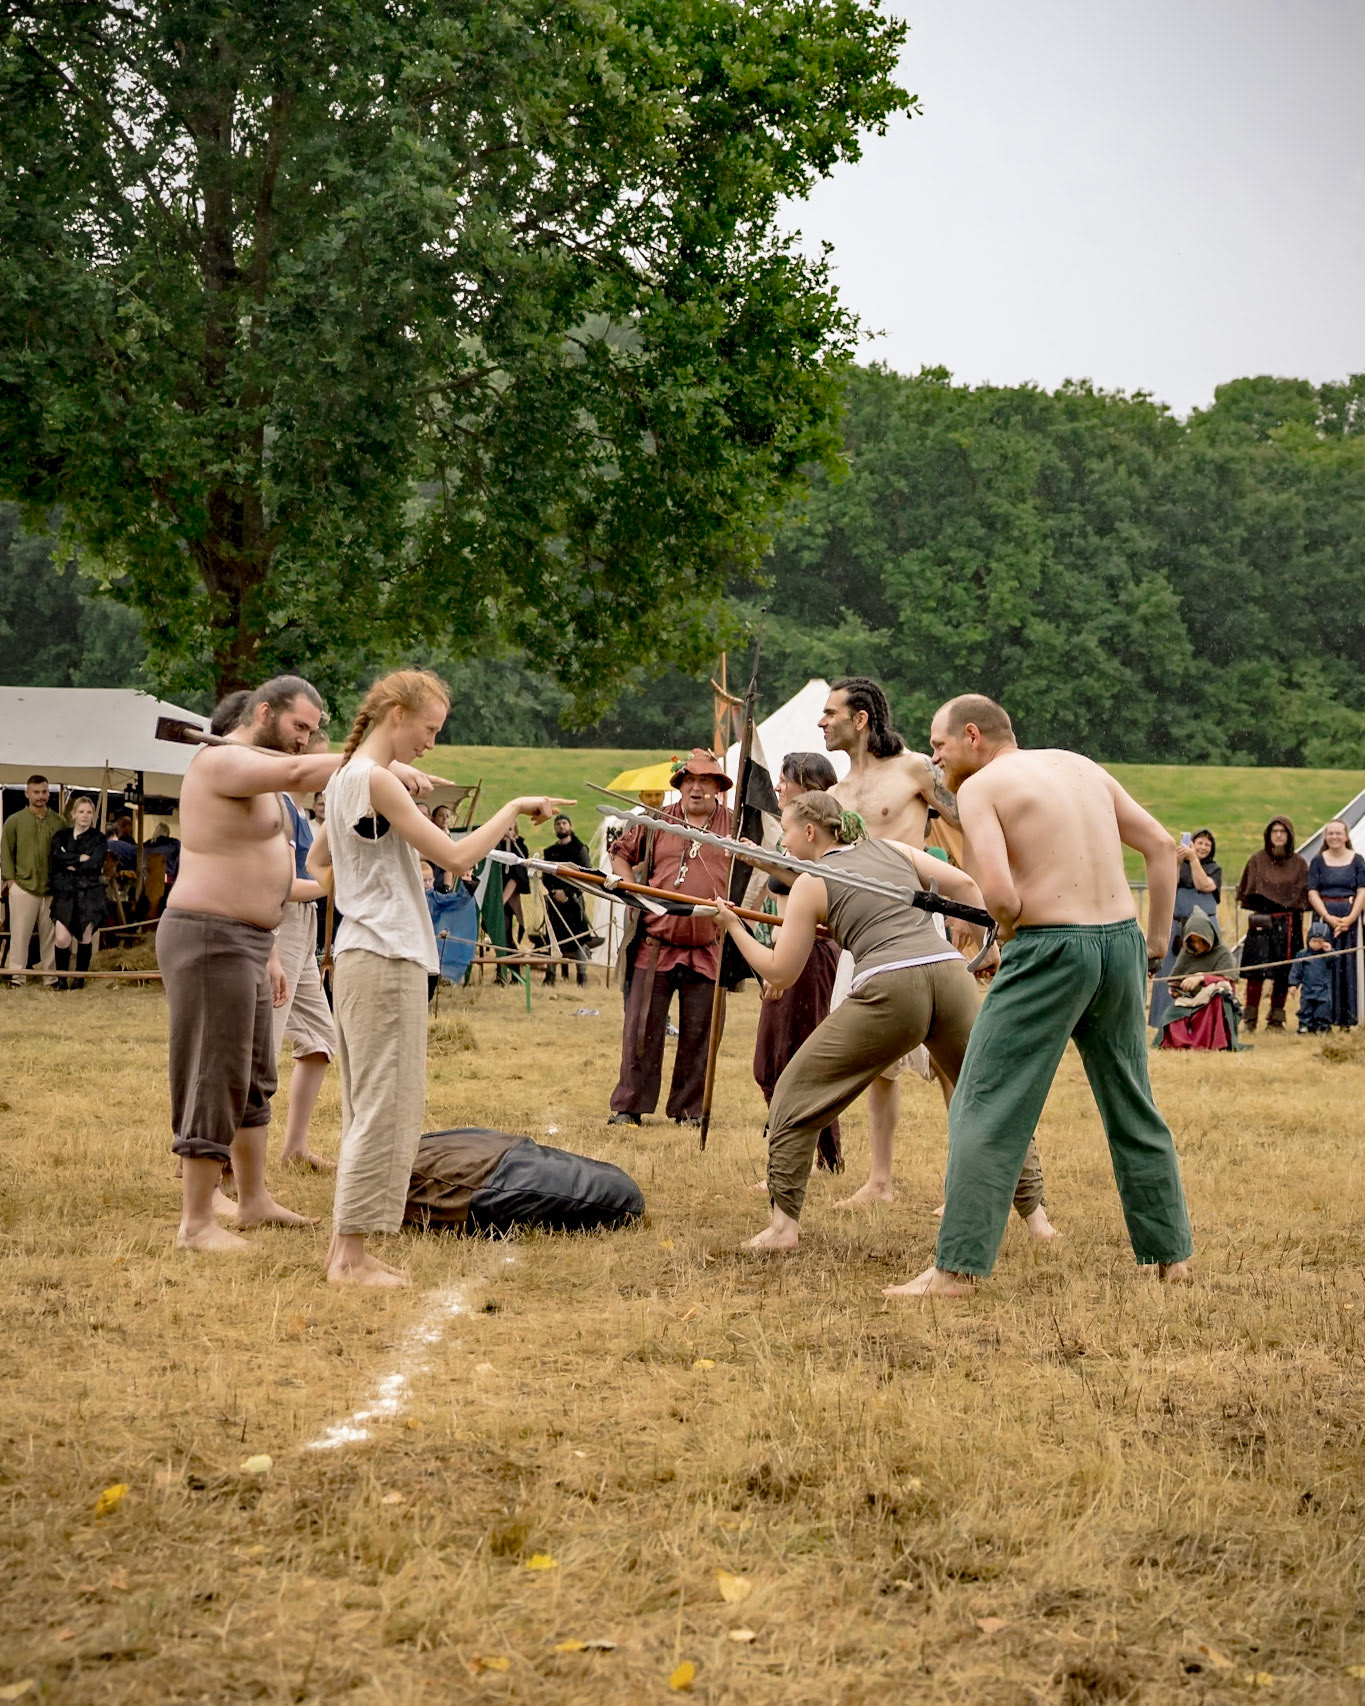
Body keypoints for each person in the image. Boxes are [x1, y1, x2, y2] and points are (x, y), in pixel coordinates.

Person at [890, 695, 1193, 1298]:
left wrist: (1002, 930)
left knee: (985, 1102)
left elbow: (1000, 896)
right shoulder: (1081, 766)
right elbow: (1161, 846)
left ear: (971, 735)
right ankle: (1171, 1257)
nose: (935, 756)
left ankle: (955, 1270)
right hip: (1121, 944)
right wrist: (1156, 940)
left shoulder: (981, 788)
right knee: (1132, 1101)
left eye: (939, 743)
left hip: (1051, 948)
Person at [306, 667, 569, 1288]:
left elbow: (320, 861)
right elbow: (454, 855)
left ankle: (352, 1248)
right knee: (384, 1108)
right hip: (385, 958)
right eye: (429, 729)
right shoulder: (370, 779)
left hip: (362, 955)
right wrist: (511, 806)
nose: (430, 743)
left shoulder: (348, 780)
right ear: (397, 714)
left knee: (368, 1105)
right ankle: (349, 1257)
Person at [713, 790, 1052, 1254]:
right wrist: (988, 947)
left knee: (794, 1094)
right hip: (951, 975)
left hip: (892, 988)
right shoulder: (892, 848)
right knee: (989, 1095)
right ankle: (1038, 1221)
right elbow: (968, 889)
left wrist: (732, 926)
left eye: (786, 831)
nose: (783, 842)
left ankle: (782, 1229)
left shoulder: (812, 883)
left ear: (810, 832)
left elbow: (778, 972)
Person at [160, 673, 405, 1254]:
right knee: (213, 1073)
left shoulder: (259, 777)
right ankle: (196, 1222)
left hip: (248, 938)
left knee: (250, 1076)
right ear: (264, 712)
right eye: (300, 727)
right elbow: (300, 773)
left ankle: (252, 1199)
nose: (305, 741)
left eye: (314, 731)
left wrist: (270, 947)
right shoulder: (220, 763)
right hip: (208, 936)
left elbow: (266, 870)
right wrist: (372, 766)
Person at [820, 676, 966, 1209]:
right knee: (877, 1062)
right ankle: (879, 1180)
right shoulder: (834, 795)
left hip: (917, 925)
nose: (821, 721)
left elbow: (966, 822)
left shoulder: (913, 769)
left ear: (860, 718)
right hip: (861, 937)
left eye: (830, 712)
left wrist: (975, 909)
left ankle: (961, 1181)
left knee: (949, 1054)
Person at [606, 750, 733, 1128]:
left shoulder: (734, 826)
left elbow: (756, 871)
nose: (696, 787)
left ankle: (689, 1110)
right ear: (679, 785)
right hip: (656, 943)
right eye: (689, 780)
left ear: (717, 787)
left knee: (699, 1032)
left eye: (705, 780)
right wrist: (631, 889)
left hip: (707, 945)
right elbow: (620, 854)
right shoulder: (656, 821)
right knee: (642, 1028)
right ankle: (629, 1107)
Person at [751, 752, 844, 1173]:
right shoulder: (793, 838)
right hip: (790, 946)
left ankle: (816, 1159)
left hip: (810, 952)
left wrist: (761, 859)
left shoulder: (826, 846)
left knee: (796, 1061)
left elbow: (812, 884)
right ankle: (805, 1157)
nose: (778, 787)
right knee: (773, 1060)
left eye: (785, 780)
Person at [1236, 818, 1309, 1032]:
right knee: (1255, 972)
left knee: (1283, 972)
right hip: (1262, 923)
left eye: (1283, 832)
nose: (1278, 835)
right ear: (1268, 835)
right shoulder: (1257, 860)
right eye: (1274, 831)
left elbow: (1302, 896)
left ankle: (1276, 1019)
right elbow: (1247, 893)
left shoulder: (1299, 864)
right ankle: (1250, 1019)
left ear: (1289, 836)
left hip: (1289, 923)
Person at [1149, 829, 1222, 1026]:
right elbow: (1169, 885)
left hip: (1202, 929)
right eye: (1199, 843)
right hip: (1177, 927)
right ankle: (1164, 1018)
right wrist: (1178, 862)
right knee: (1171, 971)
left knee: (1200, 971)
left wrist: (1194, 860)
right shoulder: (1177, 865)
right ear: (1191, 843)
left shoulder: (1214, 868)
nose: (1203, 847)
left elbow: (1204, 885)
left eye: (1207, 844)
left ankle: (1198, 1019)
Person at [1151, 907, 1242, 1050]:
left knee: (1217, 1000)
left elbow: (1228, 982)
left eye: (1201, 941)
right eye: (1193, 941)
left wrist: (1202, 978)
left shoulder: (1222, 952)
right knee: (1172, 1014)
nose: (1197, 946)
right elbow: (1176, 978)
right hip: (1189, 998)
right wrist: (1176, 988)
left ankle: (1209, 1043)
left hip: (1213, 999)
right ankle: (1181, 1043)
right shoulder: (1187, 953)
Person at [1305, 821, 1365, 1028]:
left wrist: (1350, 918)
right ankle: (1323, 1017)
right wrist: (1328, 917)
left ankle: (1349, 1017)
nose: (1334, 837)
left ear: (1346, 836)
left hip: (1350, 920)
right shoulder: (1318, 861)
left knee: (1348, 966)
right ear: (1325, 837)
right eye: (1330, 833)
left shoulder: (1357, 860)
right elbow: (1312, 891)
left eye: (1338, 833)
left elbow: (1362, 891)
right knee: (1324, 968)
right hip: (1324, 920)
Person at [2, 775, 60, 986]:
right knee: (19, 933)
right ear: (27, 793)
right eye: (36, 792)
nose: (40, 796)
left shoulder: (58, 822)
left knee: (50, 936)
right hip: (23, 885)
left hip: (51, 887)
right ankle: (17, 975)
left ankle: (51, 976)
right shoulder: (14, 821)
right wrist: (10, 880)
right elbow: (6, 851)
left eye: (44, 792)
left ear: (48, 793)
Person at [49, 794, 108, 990]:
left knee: (84, 936)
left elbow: (95, 863)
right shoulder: (61, 836)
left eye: (89, 812)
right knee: (62, 938)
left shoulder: (99, 839)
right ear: (73, 814)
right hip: (65, 894)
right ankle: (61, 979)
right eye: (81, 812)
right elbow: (57, 858)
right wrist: (78, 858)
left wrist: (72, 861)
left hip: (89, 895)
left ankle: (79, 978)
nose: (85, 816)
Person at [542, 813, 595, 987]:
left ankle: (582, 977)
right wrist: (554, 892)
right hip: (554, 901)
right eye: (557, 824)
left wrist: (567, 892)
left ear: (570, 826)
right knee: (553, 937)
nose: (561, 826)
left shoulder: (580, 849)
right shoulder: (550, 852)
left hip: (574, 900)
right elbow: (546, 876)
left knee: (578, 937)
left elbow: (586, 876)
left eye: (564, 823)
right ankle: (550, 976)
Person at [1289, 921, 1335, 1035]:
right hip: (1307, 990)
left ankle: (1322, 1026)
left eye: (1320, 942)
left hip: (1323, 990)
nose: (1316, 944)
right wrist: (1293, 984)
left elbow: (1334, 961)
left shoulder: (1326, 956)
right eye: (1313, 941)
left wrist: (1329, 951)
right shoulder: (1302, 955)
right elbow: (1296, 971)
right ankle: (1305, 1025)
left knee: (1323, 1010)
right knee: (1306, 1009)